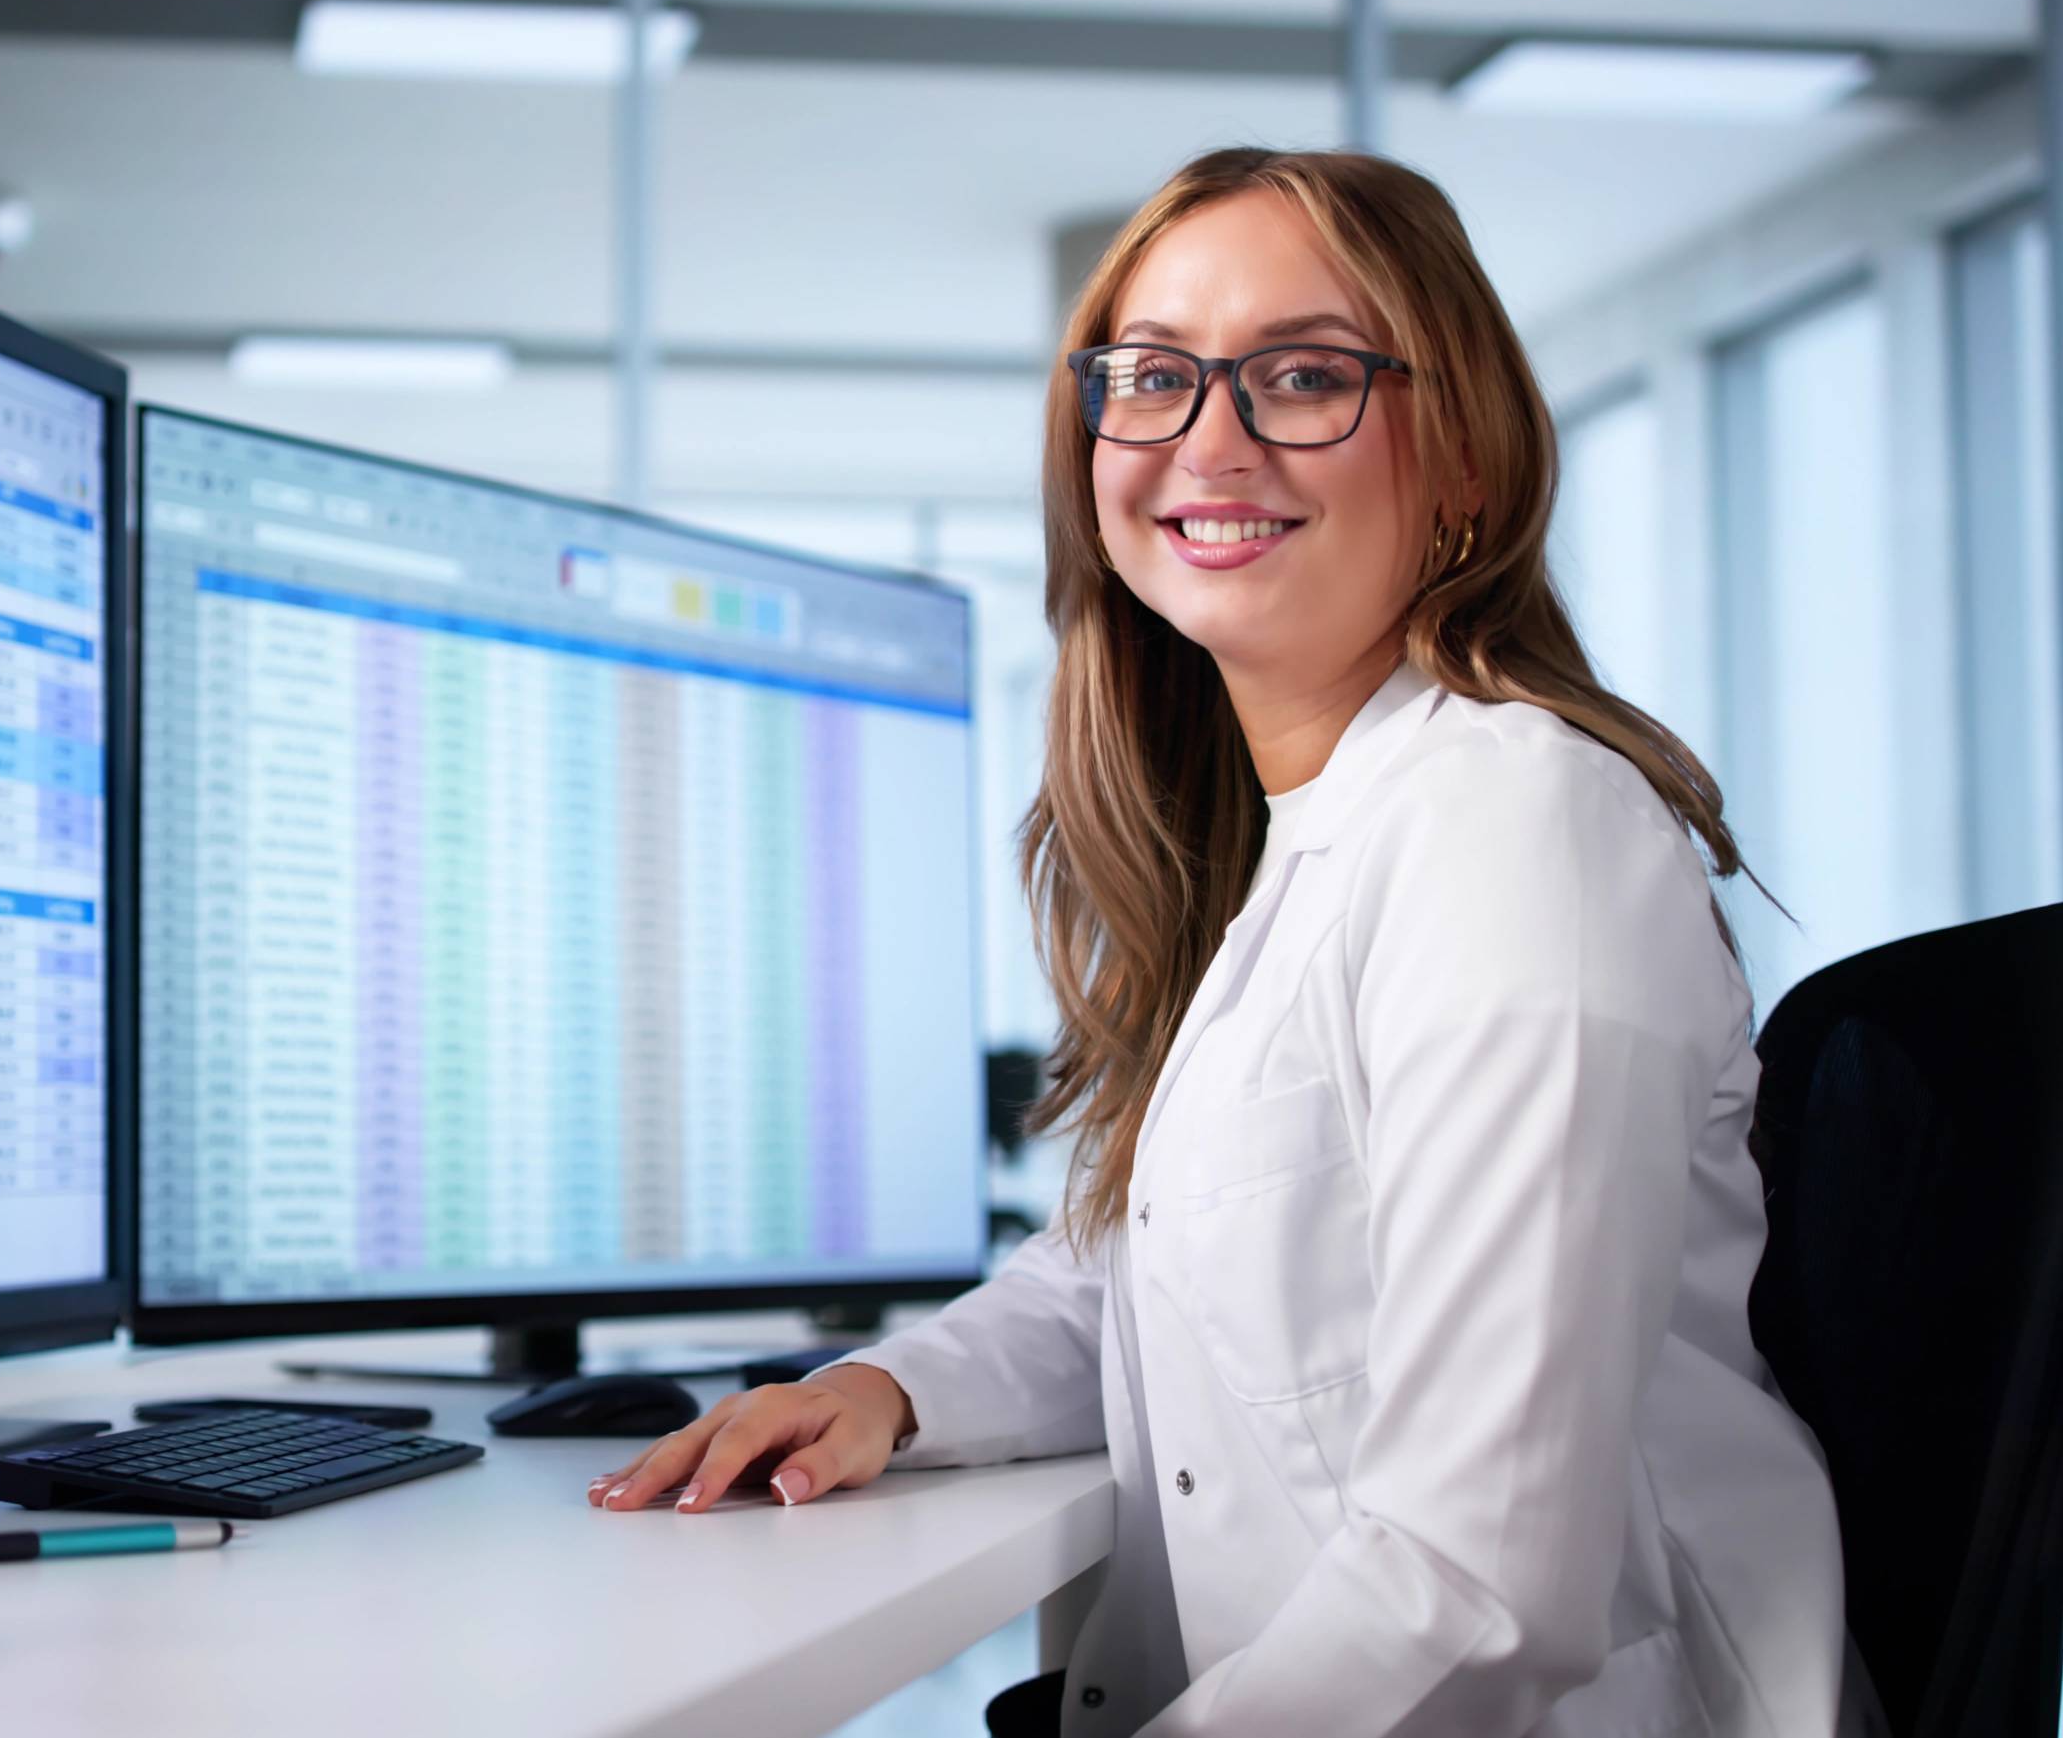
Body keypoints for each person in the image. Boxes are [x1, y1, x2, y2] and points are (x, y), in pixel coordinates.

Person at [585, 147, 1853, 1736]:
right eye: (1155, 378)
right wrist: (886, 1390)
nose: (1212, 439)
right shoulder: (1308, 842)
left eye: (1305, 375)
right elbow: (1124, 1272)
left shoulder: (1518, 827)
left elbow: (1479, 1585)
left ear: (1462, 455)